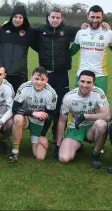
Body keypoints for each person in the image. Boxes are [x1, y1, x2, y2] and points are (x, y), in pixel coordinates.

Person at [30, 8, 82, 142]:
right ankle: (41, 132)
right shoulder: (40, 29)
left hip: (61, 73)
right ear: (48, 17)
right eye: (53, 17)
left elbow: (84, 29)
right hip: (45, 74)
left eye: (58, 18)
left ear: (61, 18)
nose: (55, 20)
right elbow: (27, 33)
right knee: (45, 103)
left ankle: (56, 133)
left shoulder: (68, 29)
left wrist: (100, 26)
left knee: (61, 104)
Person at [55, 70, 111, 169]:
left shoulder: (98, 92)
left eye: (88, 82)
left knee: (102, 124)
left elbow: (107, 116)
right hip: (75, 129)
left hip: (91, 129)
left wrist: (85, 116)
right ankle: (78, 144)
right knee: (64, 158)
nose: (85, 85)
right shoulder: (69, 97)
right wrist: (58, 145)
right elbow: (62, 121)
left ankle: (96, 154)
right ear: (78, 81)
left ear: (93, 83)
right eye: (82, 81)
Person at [8, 66, 58, 163]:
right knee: (18, 118)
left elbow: (50, 116)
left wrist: (43, 135)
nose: (38, 82)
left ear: (47, 80)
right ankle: (15, 152)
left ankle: (41, 141)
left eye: (42, 79)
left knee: (39, 157)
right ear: (31, 77)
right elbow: (15, 109)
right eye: (36, 78)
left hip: (38, 123)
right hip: (26, 118)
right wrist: (33, 113)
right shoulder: (24, 87)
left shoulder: (51, 93)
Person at [70, 5, 112, 92]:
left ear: (102, 17)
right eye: (92, 17)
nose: (95, 20)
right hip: (81, 75)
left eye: (98, 17)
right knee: (78, 103)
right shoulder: (80, 33)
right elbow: (70, 53)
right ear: (88, 16)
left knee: (99, 105)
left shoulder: (110, 34)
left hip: (100, 76)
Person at [0, 5, 35, 90]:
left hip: (20, 74)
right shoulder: (2, 30)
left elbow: (38, 47)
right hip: (2, 73)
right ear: (11, 17)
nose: (17, 20)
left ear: (24, 18)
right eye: (15, 17)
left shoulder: (29, 32)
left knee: (17, 101)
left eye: (20, 17)